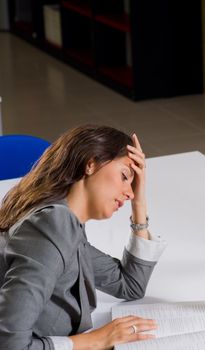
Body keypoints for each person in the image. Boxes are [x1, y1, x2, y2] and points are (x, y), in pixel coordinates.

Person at [0, 125, 167, 349]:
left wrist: (139, 201)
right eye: (125, 176)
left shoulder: (63, 222)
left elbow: (130, 285)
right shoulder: (52, 226)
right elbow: (12, 345)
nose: (129, 193)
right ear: (91, 164)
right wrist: (96, 340)